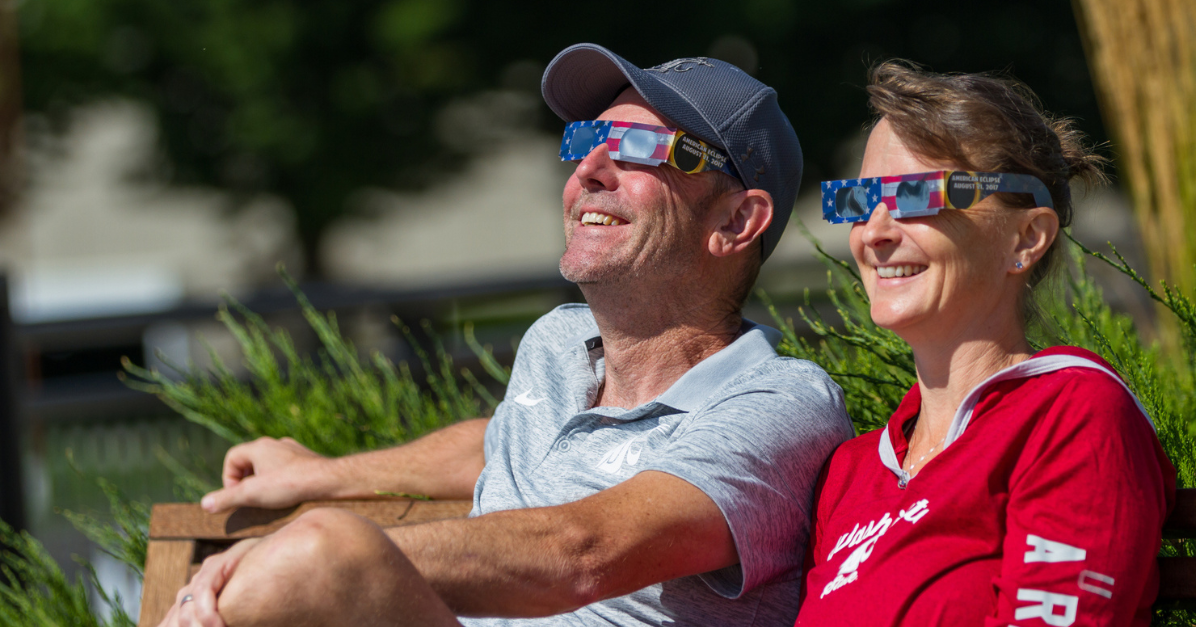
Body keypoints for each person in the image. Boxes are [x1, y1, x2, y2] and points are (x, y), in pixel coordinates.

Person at [159, 44, 853, 627]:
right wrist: (324, 476)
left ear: (736, 221)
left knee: (319, 561)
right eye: (586, 140)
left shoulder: (779, 404)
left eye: (639, 148)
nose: (588, 171)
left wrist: (327, 550)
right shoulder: (557, 347)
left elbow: (583, 553)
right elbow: (503, 440)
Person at [796, 61, 1176, 626]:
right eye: (855, 200)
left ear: (1027, 237)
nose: (873, 231)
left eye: (918, 195)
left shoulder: (1069, 416)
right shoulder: (849, 472)